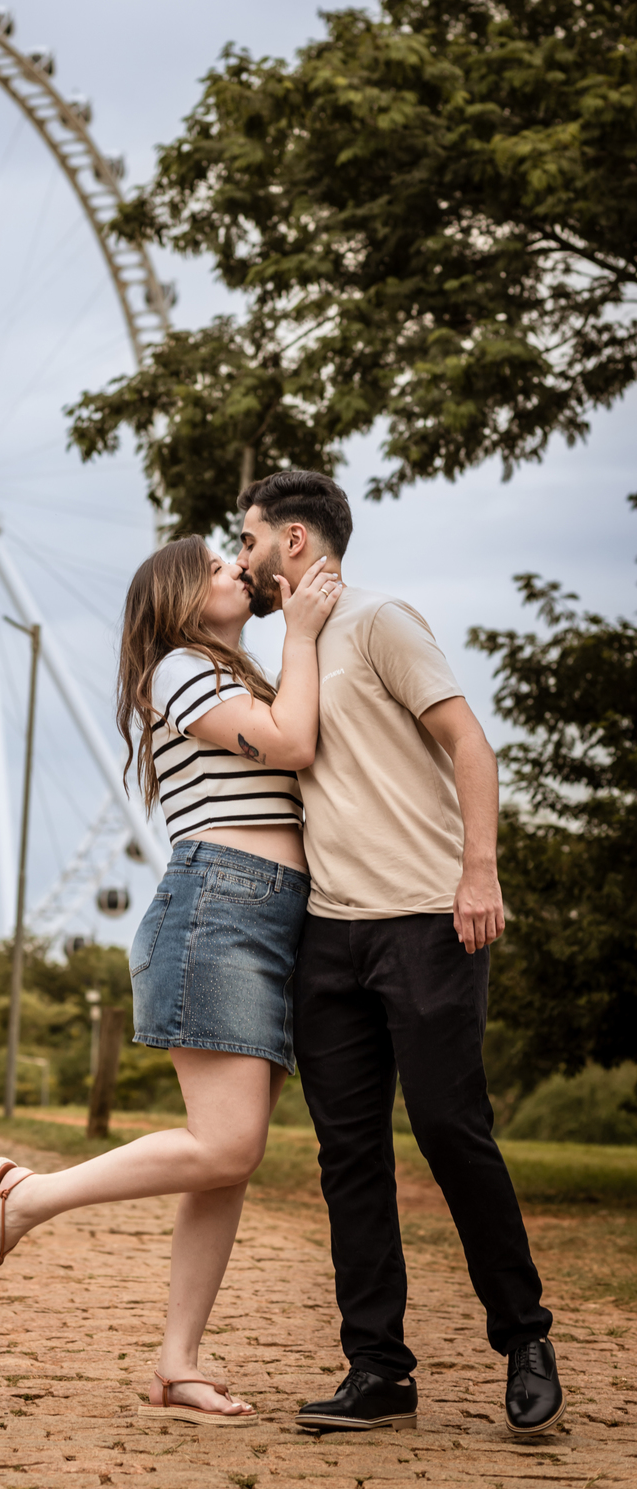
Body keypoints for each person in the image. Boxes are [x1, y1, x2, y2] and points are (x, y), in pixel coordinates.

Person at [0, 535, 341, 1424]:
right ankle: (26, 1200)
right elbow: (294, 744)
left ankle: (176, 1362)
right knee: (228, 1147)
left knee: (224, 1162)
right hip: (221, 910)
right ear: (173, 597)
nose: (236, 569)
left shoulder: (228, 673)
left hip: (271, 914)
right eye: (214, 566)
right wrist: (306, 634)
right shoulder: (175, 671)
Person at [233, 468, 561, 1438]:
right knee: (350, 1158)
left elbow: (470, 744)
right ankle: (378, 1371)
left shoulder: (380, 621)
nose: (239, 555)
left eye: (247, 537)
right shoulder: (291, 651)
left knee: (453, 1131)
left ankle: (526, 1336)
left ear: (294, 542)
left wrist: (481, 871)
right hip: (326, 937)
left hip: (427, 919)